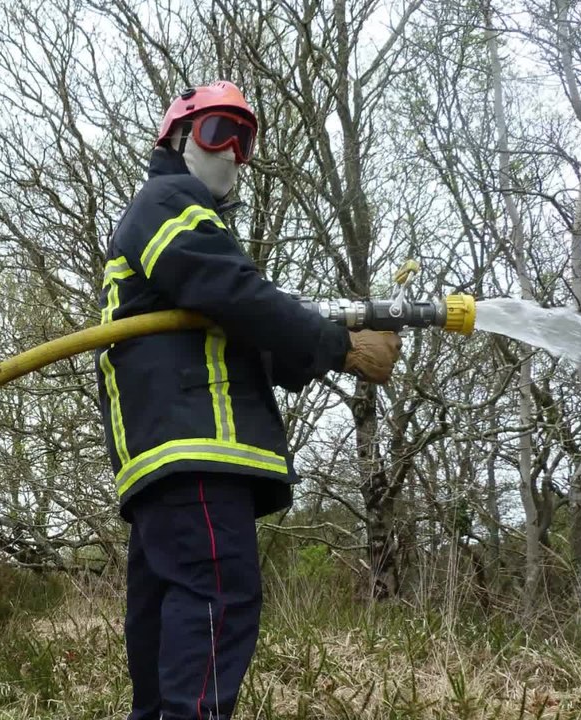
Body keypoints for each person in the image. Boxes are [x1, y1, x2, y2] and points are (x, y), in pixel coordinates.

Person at [95, 81, 401, 720]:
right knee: (216, 599)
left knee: (162, 624)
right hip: (194, 444)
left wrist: (321, 346)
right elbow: (229, 290)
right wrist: (336, 347)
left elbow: (243, 330)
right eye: (217, 132)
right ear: (176, 138)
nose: (233, 152)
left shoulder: (196, 231)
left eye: (245, 138)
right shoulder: (168, 200)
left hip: (164, 459)